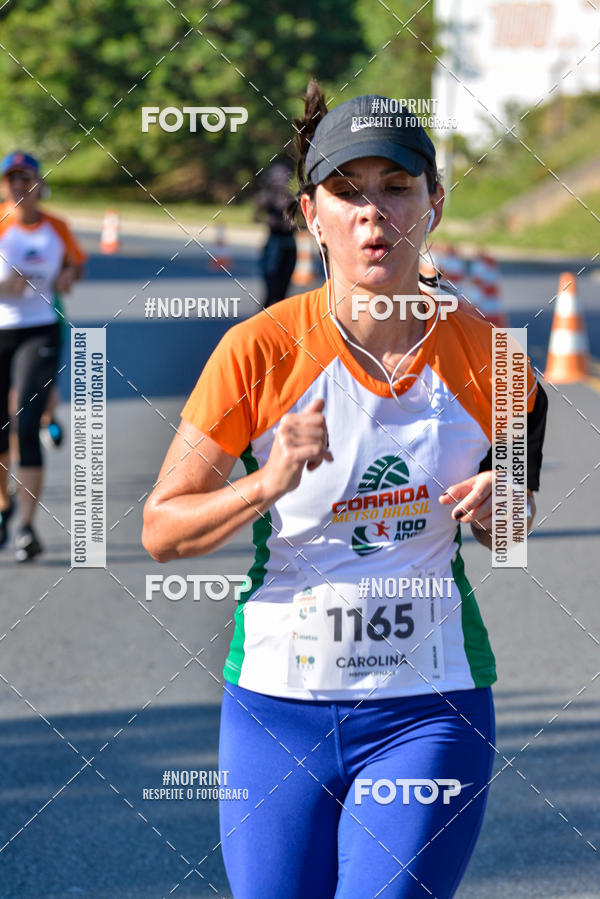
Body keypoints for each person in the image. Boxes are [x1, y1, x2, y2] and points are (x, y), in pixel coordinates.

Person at [142, 82, 548, 898]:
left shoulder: (497, 361)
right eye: (347, 192)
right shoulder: (257, 352)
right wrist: (268, 485)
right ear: (309, 212)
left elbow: (511, 517)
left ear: (433, 200)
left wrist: (506, 512)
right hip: (276, 706)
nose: (375, 215)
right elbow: (163, 528)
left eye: (396, 188)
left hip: (428, 706)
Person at [0, 151, 86, 561]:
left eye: (25, 179)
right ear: (3, 186)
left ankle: (27, 528)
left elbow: (76, 264)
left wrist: (69, 275)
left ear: (37, 184)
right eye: (11, 179)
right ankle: (4, 505)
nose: (19, 186)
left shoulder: (57, 228)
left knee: (27, 421)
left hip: (39, 328)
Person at [254, 159, 297, 306]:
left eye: (282, 175)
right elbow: (255, 217)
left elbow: (301, 222)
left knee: (283, 290)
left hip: (289, 245)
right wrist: (267, 220)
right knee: (271, 288)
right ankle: (263, 323)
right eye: (276, 175)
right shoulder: (266, 198)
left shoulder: (292, 199)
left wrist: (291, 224)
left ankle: (279, 323)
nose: (279, 179)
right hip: (273, 244)